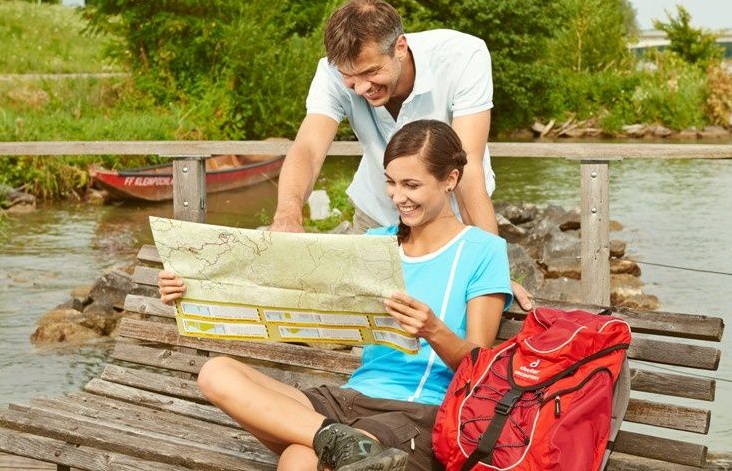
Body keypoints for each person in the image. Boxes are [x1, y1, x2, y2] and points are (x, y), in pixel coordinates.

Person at [158, 120, 514, 470]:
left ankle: (344, 444)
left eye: (411, 185)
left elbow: (481, 370)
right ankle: (339, 440)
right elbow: (281, 294)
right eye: (390, 182)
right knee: (215, 372)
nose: (397, 197)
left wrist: (433, 330)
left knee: (298, 458)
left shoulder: (483, 251)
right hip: (348, 400)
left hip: (417, 411)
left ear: (450, 179)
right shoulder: (376, 243)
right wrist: (191, 288)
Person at [268, 0, 531, 309]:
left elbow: (468, 167)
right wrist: (287, 215)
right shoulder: (330, 72)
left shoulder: (463, 56)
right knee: (363, 320)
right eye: (349, 77)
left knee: (449, 316)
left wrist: (493, 270)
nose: (361, 88)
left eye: (371, 72)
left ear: (400, 48)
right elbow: (308, 148)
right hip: (376, 217)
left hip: (449, 220)